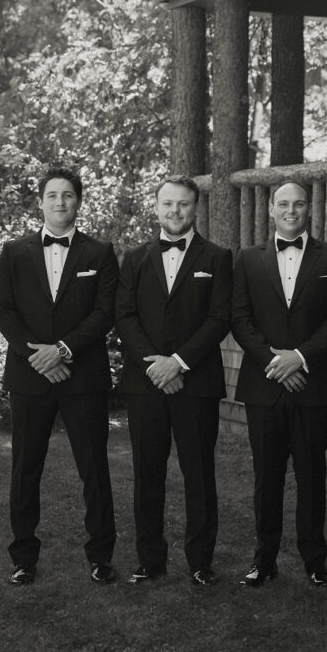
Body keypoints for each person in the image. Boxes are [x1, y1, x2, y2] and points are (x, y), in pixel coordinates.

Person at [0, 166, 119, 586]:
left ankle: (100, 557)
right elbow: (4, 310)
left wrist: (63, 350)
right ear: (40, 202)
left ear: (78, 201)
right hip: (29, 376)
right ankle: (23, 558)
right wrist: (39, 356)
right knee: (25, 469)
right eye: (53, 195)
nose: (60, 202)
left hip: (83, 377)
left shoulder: (100, 252)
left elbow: (105, 312)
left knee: (94, 469)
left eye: (68, 195)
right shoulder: (14, 252)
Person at [232, 180, 327, 587]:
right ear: (271, 208)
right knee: (266, 478)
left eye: (298, 204)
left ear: (309, 208)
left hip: (313, 385)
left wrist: (299, 357)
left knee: (311, 476)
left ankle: (315, 561)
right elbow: (240, 319)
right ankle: (264, 560)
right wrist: (275, 362)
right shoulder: (248, 258)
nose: (290, 211)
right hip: (263, 385)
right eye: (283, 204)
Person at [115, 176, 232, 586]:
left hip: (196, 384)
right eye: (168, 203)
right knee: (147, 474)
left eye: (183, 204)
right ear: (156, 207)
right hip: (145, 383)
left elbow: (219, 318)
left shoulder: (218, 257)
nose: (175, 211)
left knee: (198, 474)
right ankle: (150, 560)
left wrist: (179, 363)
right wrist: (156, 367)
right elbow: (124, 315)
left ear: (195, 208)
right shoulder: (134, 258)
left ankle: (200, 562)